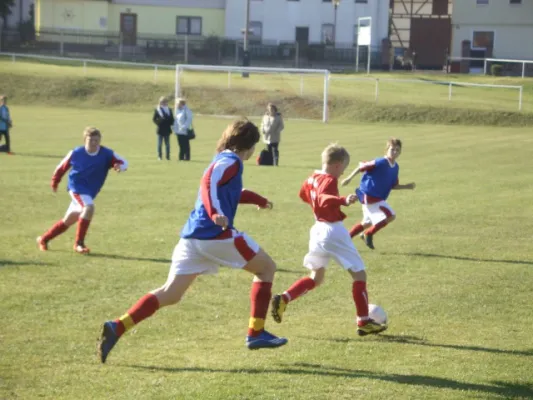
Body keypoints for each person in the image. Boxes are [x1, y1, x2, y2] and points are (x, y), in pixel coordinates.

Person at [97, 118, 288, 364]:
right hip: (216, 235)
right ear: (248, 146)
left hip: (192, 237)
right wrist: (215, 213)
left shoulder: (221, 159)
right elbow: (208, 183)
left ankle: (117, 326)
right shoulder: (231, 161)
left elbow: (227, 192)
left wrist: (258, 200)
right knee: (266, 268)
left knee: (171, 293)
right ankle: (256, 332)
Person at [270, 144, 387, 336]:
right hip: (332, 230)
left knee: (316, 277)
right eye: (343, 168)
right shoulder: (330, 179)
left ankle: (284, 298)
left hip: (317, 229)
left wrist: (320, 205)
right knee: (359, 275)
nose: (342, 173)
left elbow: (303, 195)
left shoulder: (311, 178)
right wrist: (342, 201)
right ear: (337, 164)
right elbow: (324, 198)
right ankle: (364, 321)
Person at [36, 127, 128, 254]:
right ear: (85, 140)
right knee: (89, 207)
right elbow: (61, 167)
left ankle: (43, 239)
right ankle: (79, 244)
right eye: (91, 140)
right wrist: (55, 181)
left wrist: (119, 167)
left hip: (90, 191)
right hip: (76, 187)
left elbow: (124, 162)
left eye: (97, 140)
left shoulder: (106, 153)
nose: (94, 143)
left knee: (70, 219)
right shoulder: (77, 152)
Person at [341, 138, 416, 250]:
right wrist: (349, 178)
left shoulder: (395, 167)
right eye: (392, 149)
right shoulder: (380, 162)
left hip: (376, 198)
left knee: (366, 223)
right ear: (386, 150)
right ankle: (368, 234)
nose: (394, 152)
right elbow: (361, 167)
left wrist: (406, 186)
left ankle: (345, 240)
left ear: (400, 152)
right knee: (390, 215)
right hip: (369, 196)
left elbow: (393, 185)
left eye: (397, 150)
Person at [152, 96, 174, 161]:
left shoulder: (169, 110)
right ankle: (159, 156)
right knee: (159, 144)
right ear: (160, 103)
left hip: (167, 129)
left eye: (165, 102)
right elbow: (154, 119)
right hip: (160, 129)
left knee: (167, 144)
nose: (164, 103)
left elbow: (172, 119)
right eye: (162, 102)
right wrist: (159, 123)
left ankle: (167, 157)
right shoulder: (157, 110)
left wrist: (171, 122)